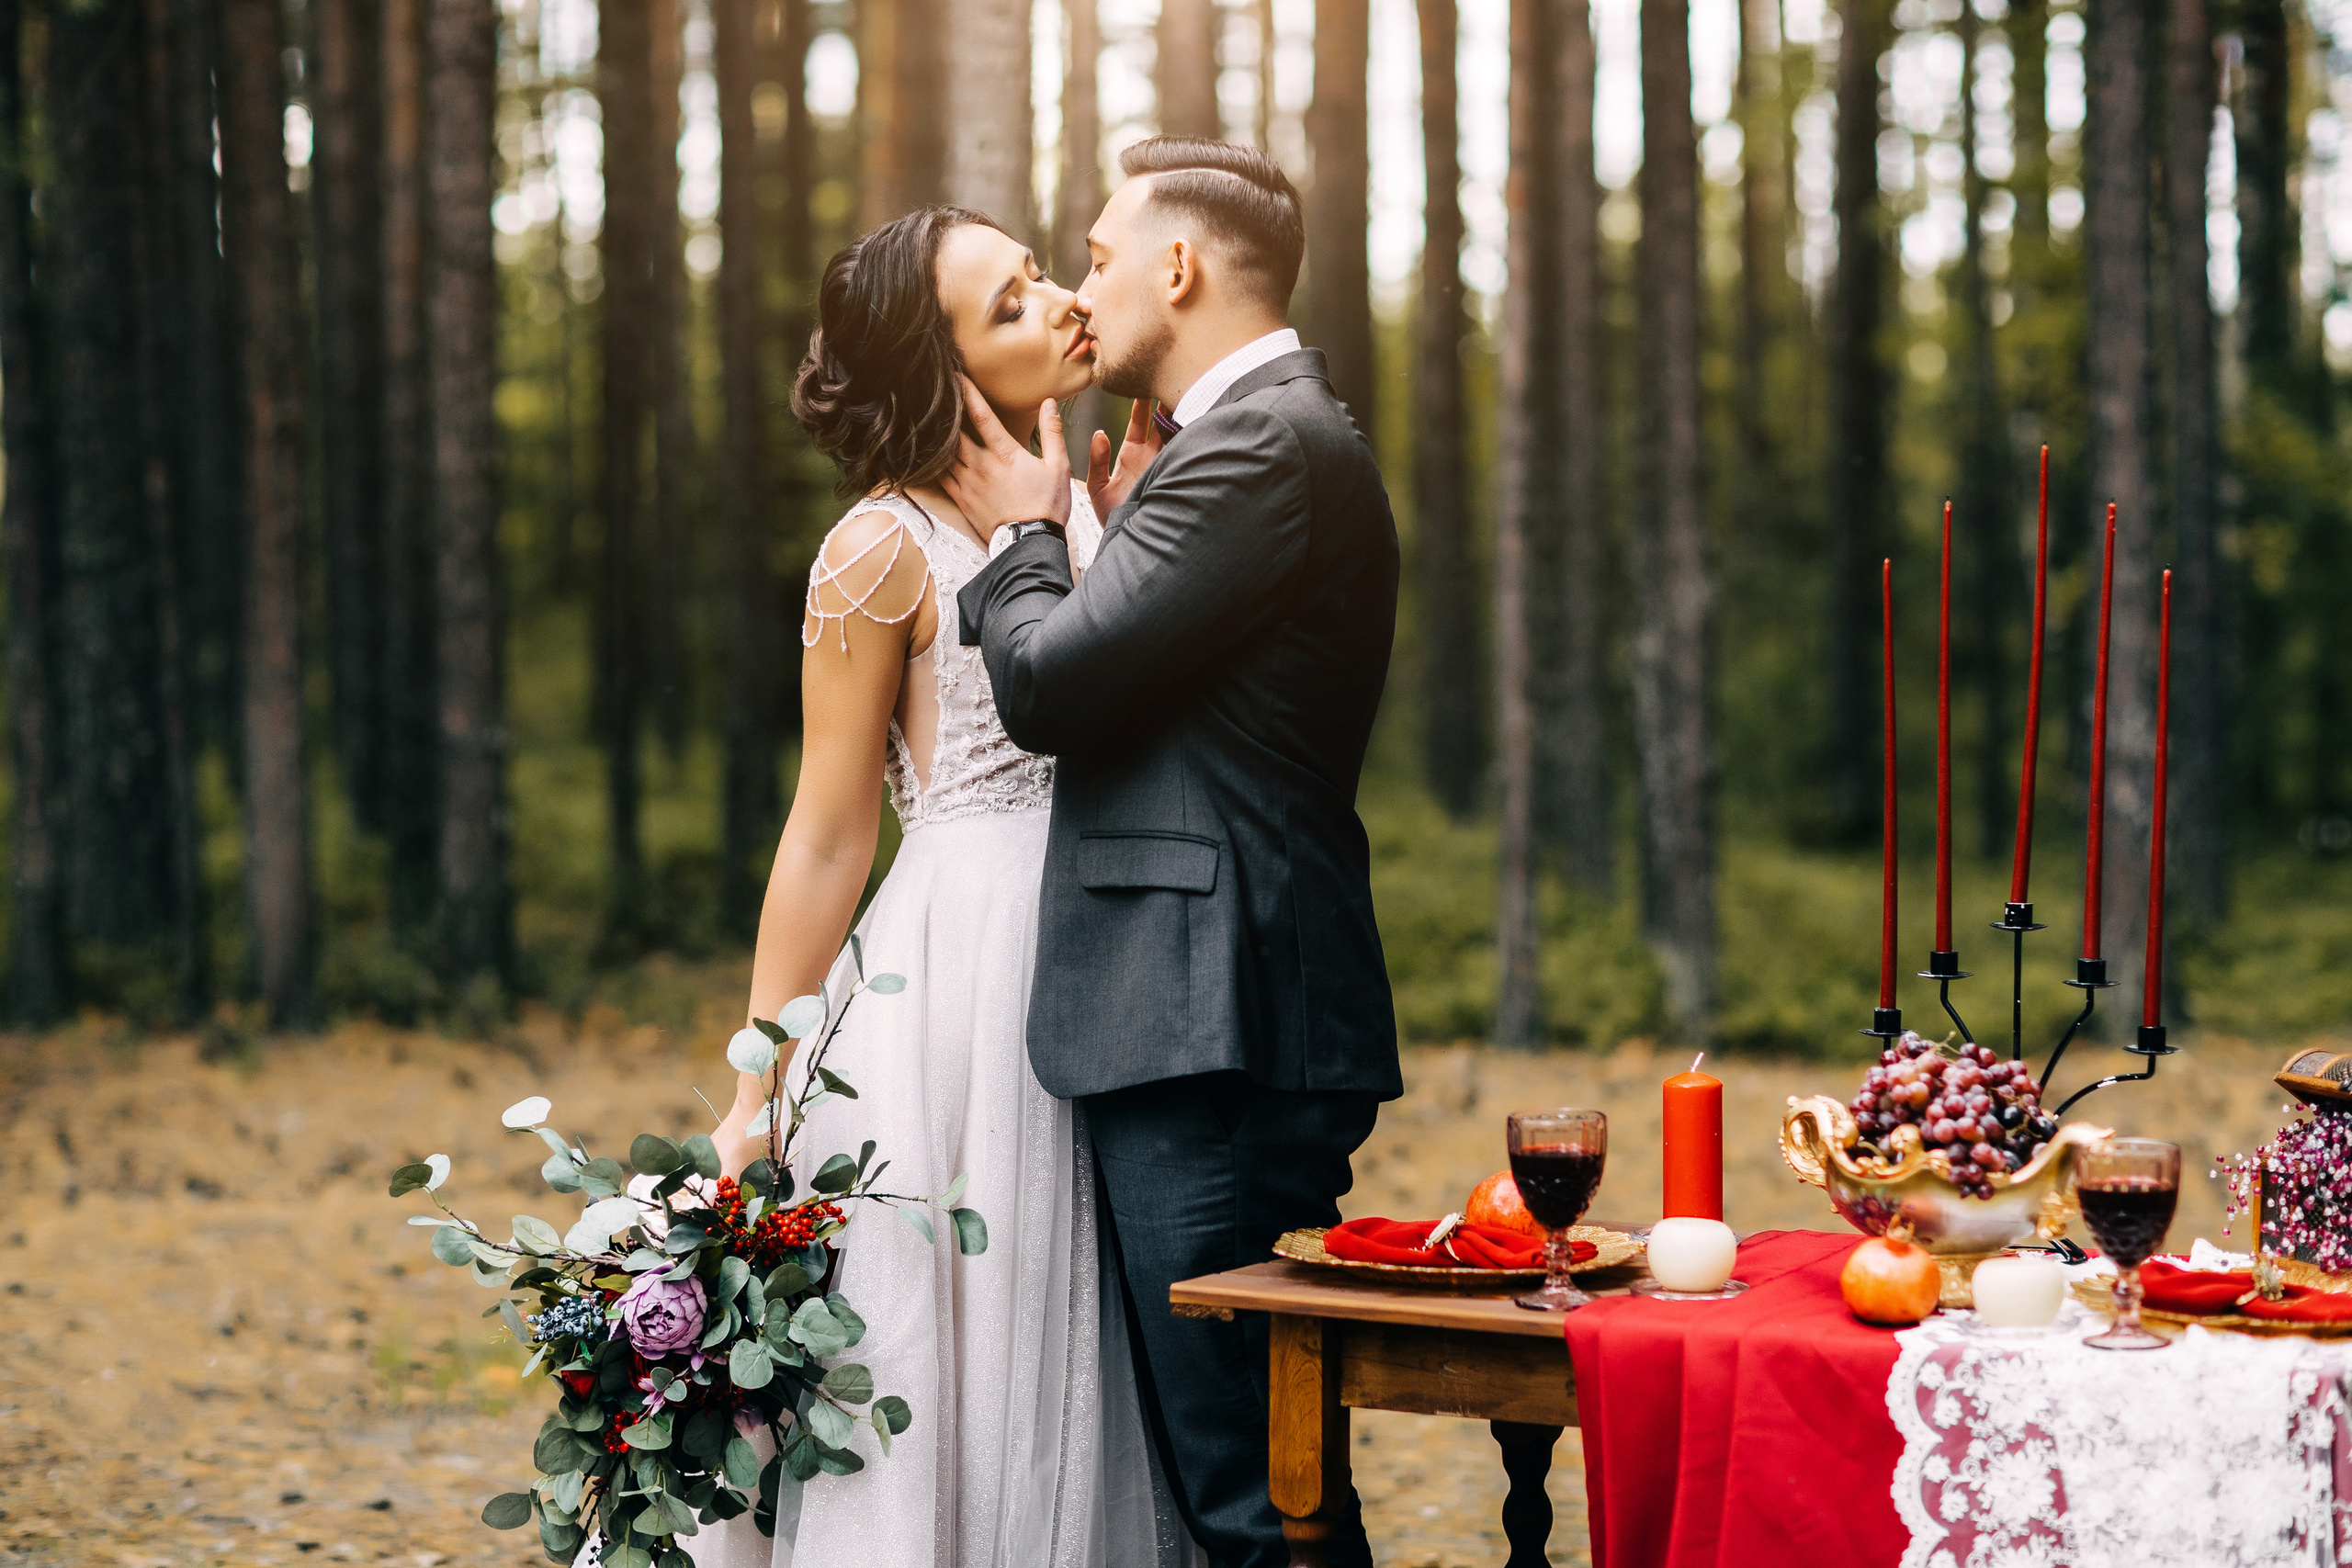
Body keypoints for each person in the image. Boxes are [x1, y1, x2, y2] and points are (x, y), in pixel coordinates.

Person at [693, 206, 1190, 1568]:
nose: (1059, 304)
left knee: (1087, 1328)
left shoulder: (1093, 500)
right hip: (958, 978)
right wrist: (758, 1085)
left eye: (1040, 274)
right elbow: (827, 836)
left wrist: (1122, 525)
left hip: (1111, 951)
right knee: (955, 1321)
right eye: (1012, 305)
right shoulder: (880, 550)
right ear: (944, 377)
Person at [945, 136, 1403, 1568]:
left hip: (1213, 1021)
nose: (1081, 286)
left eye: (1094, 255)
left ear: (1182, 267)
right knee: (1256, 1469)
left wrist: (1027, 533)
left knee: (1249, 1488)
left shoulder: (1264, 441)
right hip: (1210, 1007)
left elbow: (1052, 689)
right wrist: (1131, 516)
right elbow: (1183, 698)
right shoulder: (1238, 444)